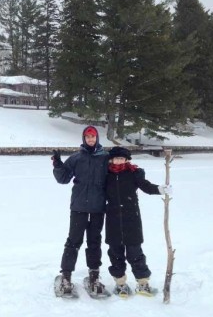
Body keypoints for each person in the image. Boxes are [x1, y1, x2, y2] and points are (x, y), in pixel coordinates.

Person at [104, 146, 172, 297]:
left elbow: (146, 186)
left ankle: (142, 283)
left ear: (126, 159)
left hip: (131, 219)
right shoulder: (105, 174)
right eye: (117, 158)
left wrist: (160, 189)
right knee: (115, 253)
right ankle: (120, 284)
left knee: (135, 253)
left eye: (122, 158)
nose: (119, 160)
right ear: (111, 159)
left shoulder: (133, 173)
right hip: (112, 219)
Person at [51, 125, 109, 296]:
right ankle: (66, 276)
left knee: (94, 241)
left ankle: (94, 276)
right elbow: (63, 178)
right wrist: (58, 164)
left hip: (98, 208)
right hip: (79, 207)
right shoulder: (76, 157)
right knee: (74, 241)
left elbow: (117, 175)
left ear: (97, 138)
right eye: (87, 137)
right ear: (84, 139)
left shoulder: (105, 158)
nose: (90, 139)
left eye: (93, 136)